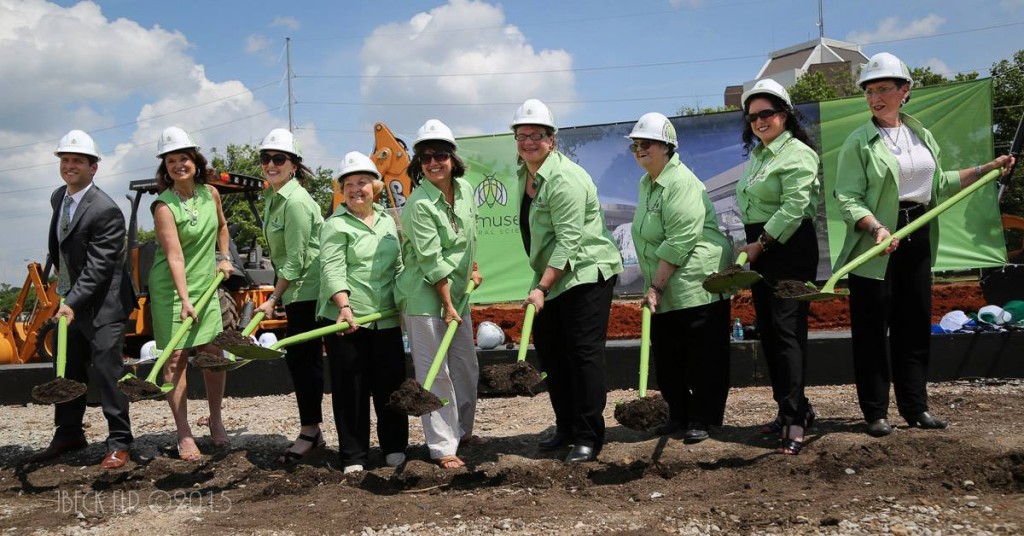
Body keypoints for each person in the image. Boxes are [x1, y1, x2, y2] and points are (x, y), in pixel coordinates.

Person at [834, 52, 1015, 437]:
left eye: (884, 88)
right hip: (876, 244)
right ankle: (875, 412)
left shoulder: (920, 135)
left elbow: (937, 185)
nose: (875, 97)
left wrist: (987, 168)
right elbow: (847, 198)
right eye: (870, 90)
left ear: (905, 91)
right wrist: (876, 229)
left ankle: (915, 408)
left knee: (913, 324)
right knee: (871, 329)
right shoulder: (859, 142)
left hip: (917, 233)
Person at [513, 99, 623, 463]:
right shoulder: (525, 174)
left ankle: (589, 436)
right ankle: (566, 427)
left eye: (536, 135)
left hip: (586, 272)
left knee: (582, 354)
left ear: (552, 139)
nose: (528, 142)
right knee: (553, 355)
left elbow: (569, 242)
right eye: (521, 135)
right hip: (553, 275)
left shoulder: (565, 178)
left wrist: (542, 287)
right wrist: (543, 283)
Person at [26, 130, 137, 469]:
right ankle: (69, 433)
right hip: (72, 301)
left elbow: (99, 268)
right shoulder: (59, 197)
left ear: (94, 167)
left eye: (77, 161)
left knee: (107, 371)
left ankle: (119, 442)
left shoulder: (106, 210)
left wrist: (70, 301)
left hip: (104, 304)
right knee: (69, 368)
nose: (69, 166)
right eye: (65, 160)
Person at [627, 112, 732, 445]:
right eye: (636, 145)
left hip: (695, 283)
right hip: (665, 281)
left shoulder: (681, 181)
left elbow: (680, 240)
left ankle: (702, 418)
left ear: (667, 147)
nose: (640, 149)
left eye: (647, 143)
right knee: (669, 354)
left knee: (701, 354)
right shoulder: (647, 184)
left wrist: (656, 286)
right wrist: (655, 284)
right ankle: (678, 415)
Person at [734, 80, 821, 454]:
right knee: (769, 331)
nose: (758, 121)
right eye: (752, 116)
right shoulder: (758, 156)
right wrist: (754, 246)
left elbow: (795, 208)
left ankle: (795, 422)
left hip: (789, 248)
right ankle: (791, 408)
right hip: (762, 248)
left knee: (787, 332)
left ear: (783, 114)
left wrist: (762, 244)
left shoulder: (798, 154)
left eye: (766, 113)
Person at [395, 119, 483, 470]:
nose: (434, 162)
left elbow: (470, 238)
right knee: (437, 371)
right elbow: (431, 261)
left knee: (466, 366)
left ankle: (463, 429)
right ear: (418, 163)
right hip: (426, 297)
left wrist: (471, 269)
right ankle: (442, 446)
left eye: (441, 155)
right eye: (426, 156)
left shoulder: (464, 191)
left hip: (458, 296)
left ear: (452, 158)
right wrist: (447, 303)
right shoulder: (418, 204)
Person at [318, 151, 409, 474]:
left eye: (363, 182)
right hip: (348, 320)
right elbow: (332, 270)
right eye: (349, 184)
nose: (357, 189)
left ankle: (395, 447)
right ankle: (354, 455)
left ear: (376, 186)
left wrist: (403, 303)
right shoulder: (334, 225)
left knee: (391, 385)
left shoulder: (387, 220)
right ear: (342, 190)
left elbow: (399, 265)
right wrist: (343, 306)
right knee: (351, 388)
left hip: (384, 318)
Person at [149, 126, 234, 461]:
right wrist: (184, 300)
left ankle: (216, 419)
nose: (178, 165)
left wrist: (224, 256)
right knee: (176, 358)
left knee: (214, 354)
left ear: (195, 161)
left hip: (206, 284)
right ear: (165, 167)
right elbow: (175, 256)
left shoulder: (210, 194)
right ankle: (184, 432)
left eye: (183, 158)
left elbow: (223, 226)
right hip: (172, 289)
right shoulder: (164, 206)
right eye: (171, 160)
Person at [252, 128, 328, 464]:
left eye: (278, 159)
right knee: (301, 362)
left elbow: (296, 260)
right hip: (296, 291)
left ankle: (310, 432)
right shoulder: (272, 198)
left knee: (304, 362)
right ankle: (314, 429)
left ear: (294, 164)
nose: (271, 164)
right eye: (266, 158)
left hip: (308, 292)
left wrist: (272, 297)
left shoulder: (296, 202)